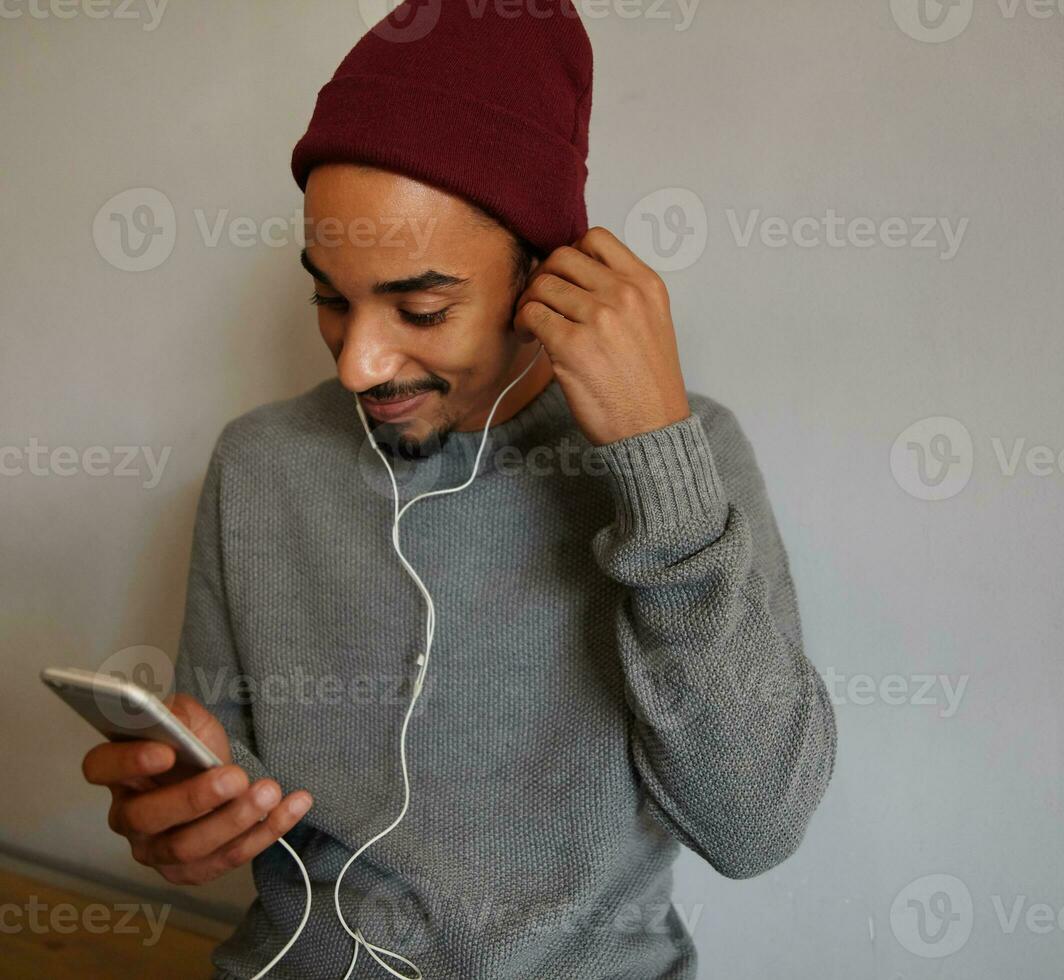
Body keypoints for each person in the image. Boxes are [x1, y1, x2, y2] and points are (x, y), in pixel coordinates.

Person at [81, 1, 837, 977]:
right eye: (329, 296)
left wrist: (655, 459)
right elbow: (228, 793)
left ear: (546, 277)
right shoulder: (261, 465)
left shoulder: (680, 459)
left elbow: (754, 825)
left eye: (421, 307)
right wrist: (181, 819)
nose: (358, 363)